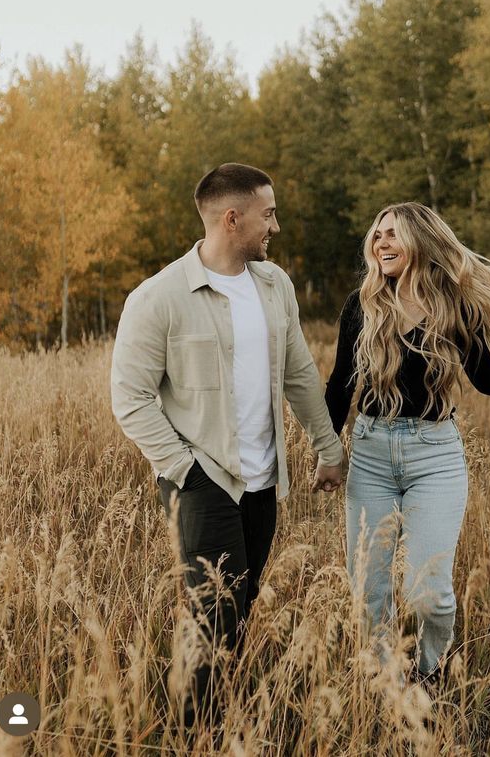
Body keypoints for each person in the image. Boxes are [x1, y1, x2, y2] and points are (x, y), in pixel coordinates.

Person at [111, 163, 343, 730]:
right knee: (213, 615)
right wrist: (185, 471)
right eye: (268, 214)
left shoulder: (275, 284)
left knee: (238, 611)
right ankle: (197, 732)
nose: (276, 226)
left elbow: (299, 374)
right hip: (202, 481)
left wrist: (328, 447)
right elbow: (130, 397)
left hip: (264, 480)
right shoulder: (159, 296)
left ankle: (216, 723)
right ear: (232, 218)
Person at [325, 202, 490, 686]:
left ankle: (429, 672)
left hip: (435, 455)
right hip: (370, 453)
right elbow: (338, 387)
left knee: (429, 592)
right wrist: (327, 453)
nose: (382, 243)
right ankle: (387, 679)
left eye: (393, 234)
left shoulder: (455, 304)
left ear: (420, 242)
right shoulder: (363, 305)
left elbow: (486, 380)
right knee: (368, 588)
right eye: (378, 236)